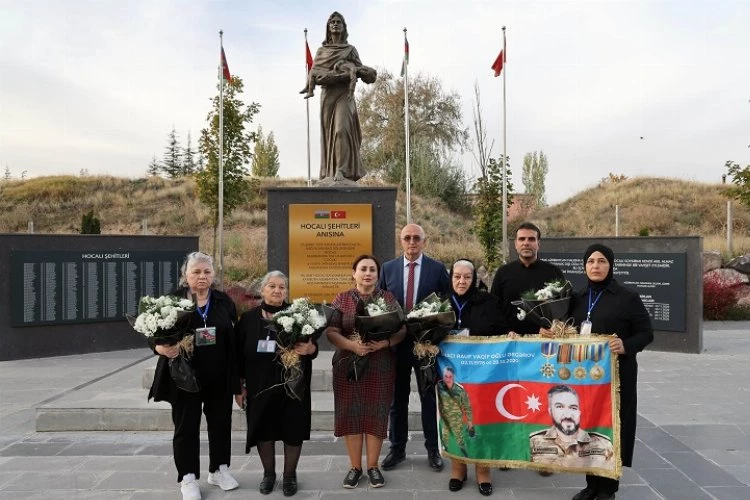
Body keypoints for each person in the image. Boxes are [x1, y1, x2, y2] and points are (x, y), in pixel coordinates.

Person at [148, 251, 240, 500]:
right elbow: (151, 330)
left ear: (214, 275)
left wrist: (238, 382)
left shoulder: (223, 302)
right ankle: (187, 476)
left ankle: (219, 469)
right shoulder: (171, 301)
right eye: (196, 272)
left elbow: (234, 341)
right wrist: (158, 346)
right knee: (186, 427)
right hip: (184, 377)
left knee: (221, 424)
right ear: (185, 275)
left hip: (218, 375)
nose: (202, 276)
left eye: (207, 272)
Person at [569, 244, 654, 500]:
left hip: (618, 377)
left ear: (611, 265)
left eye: (602, 261)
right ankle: (591, 484)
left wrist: (625, 345)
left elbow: (646, 333)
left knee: (613, 428)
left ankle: (608, 488)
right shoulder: (579, 297)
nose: (596, 266)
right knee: (590, 427)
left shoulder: (627, 297)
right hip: (587, 378)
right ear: (585, 266)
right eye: (591, 261)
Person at [326, 255, 407, 489]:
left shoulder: (388, 298)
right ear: (354, 273)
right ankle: (355, 468)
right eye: (363, 269)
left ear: (378, 275)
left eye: (372, 269)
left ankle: (373, 467)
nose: (368, 273)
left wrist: (384, 344)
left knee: (375, 414)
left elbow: (401, 329)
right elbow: (331, 331)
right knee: (351, 414)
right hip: (347, 364)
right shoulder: (342, 298)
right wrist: (352, 345)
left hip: (379, 364)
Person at [235, 271, 317, 496]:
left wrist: (310, 349)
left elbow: (312, 346)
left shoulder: (299, 315)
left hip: (293, 384)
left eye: (282, 287)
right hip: (259, 385)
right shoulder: (249, 319)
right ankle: (268, 474)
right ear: (262, 290)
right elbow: (238, 355)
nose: (277, 290)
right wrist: (239, 386)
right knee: (264, 429)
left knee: (293, 428)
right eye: (272, 286)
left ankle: (289, 475)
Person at [378, 223, 451, 472]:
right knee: (397, 400)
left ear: (424, 241)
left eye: (416, 238)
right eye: (407, 238)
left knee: (429, 397)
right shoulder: (388, 269)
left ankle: (433, 449)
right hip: (397, 345)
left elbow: (445, 304)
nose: (412, 242)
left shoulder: (437, 269)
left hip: (426, 345)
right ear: (401, 241)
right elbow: (380, 303)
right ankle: (397, 449)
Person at [443, 258, 510, 496]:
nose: (461, 281)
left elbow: (502, 331)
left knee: (481, 420)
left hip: (483, 375)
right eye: (457, 276)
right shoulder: (440, 303)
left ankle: (483, 471)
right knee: (454, 420)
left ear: (475, 279)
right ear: (451, 278)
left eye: (467, 277)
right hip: (450, 374)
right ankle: (458, 469)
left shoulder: (488, 302)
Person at [301, 11, 376, 182]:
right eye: (332, 22)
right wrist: (337, 76)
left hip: (345, 94)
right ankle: (330, 172)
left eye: (338, 22)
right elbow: (317, 75)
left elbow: (362, 72)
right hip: (328, 96)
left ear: (343, 27)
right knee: (329, 134)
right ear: (328, 27)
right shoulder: (322, 51)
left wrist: (367, 73)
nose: (335, 24)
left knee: (341, 130)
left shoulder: (350, 50)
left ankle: (342, 170)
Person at [490, 221, 565, 336]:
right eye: (521, 239)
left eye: (531, 239)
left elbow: (562, 308)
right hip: (510, 341)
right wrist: (506, 331)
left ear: (538, 244)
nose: (526, 243)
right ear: (515, 244)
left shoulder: (553, 272)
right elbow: (494, 309)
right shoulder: (503, 273)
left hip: (544, 340)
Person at [529, 385, 615, 469]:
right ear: (550, 411)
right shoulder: (533, 442)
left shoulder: (603, 444)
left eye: (573, 408)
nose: (567, 414)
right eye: (560, 407)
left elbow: (608, 479)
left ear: (579, 412)